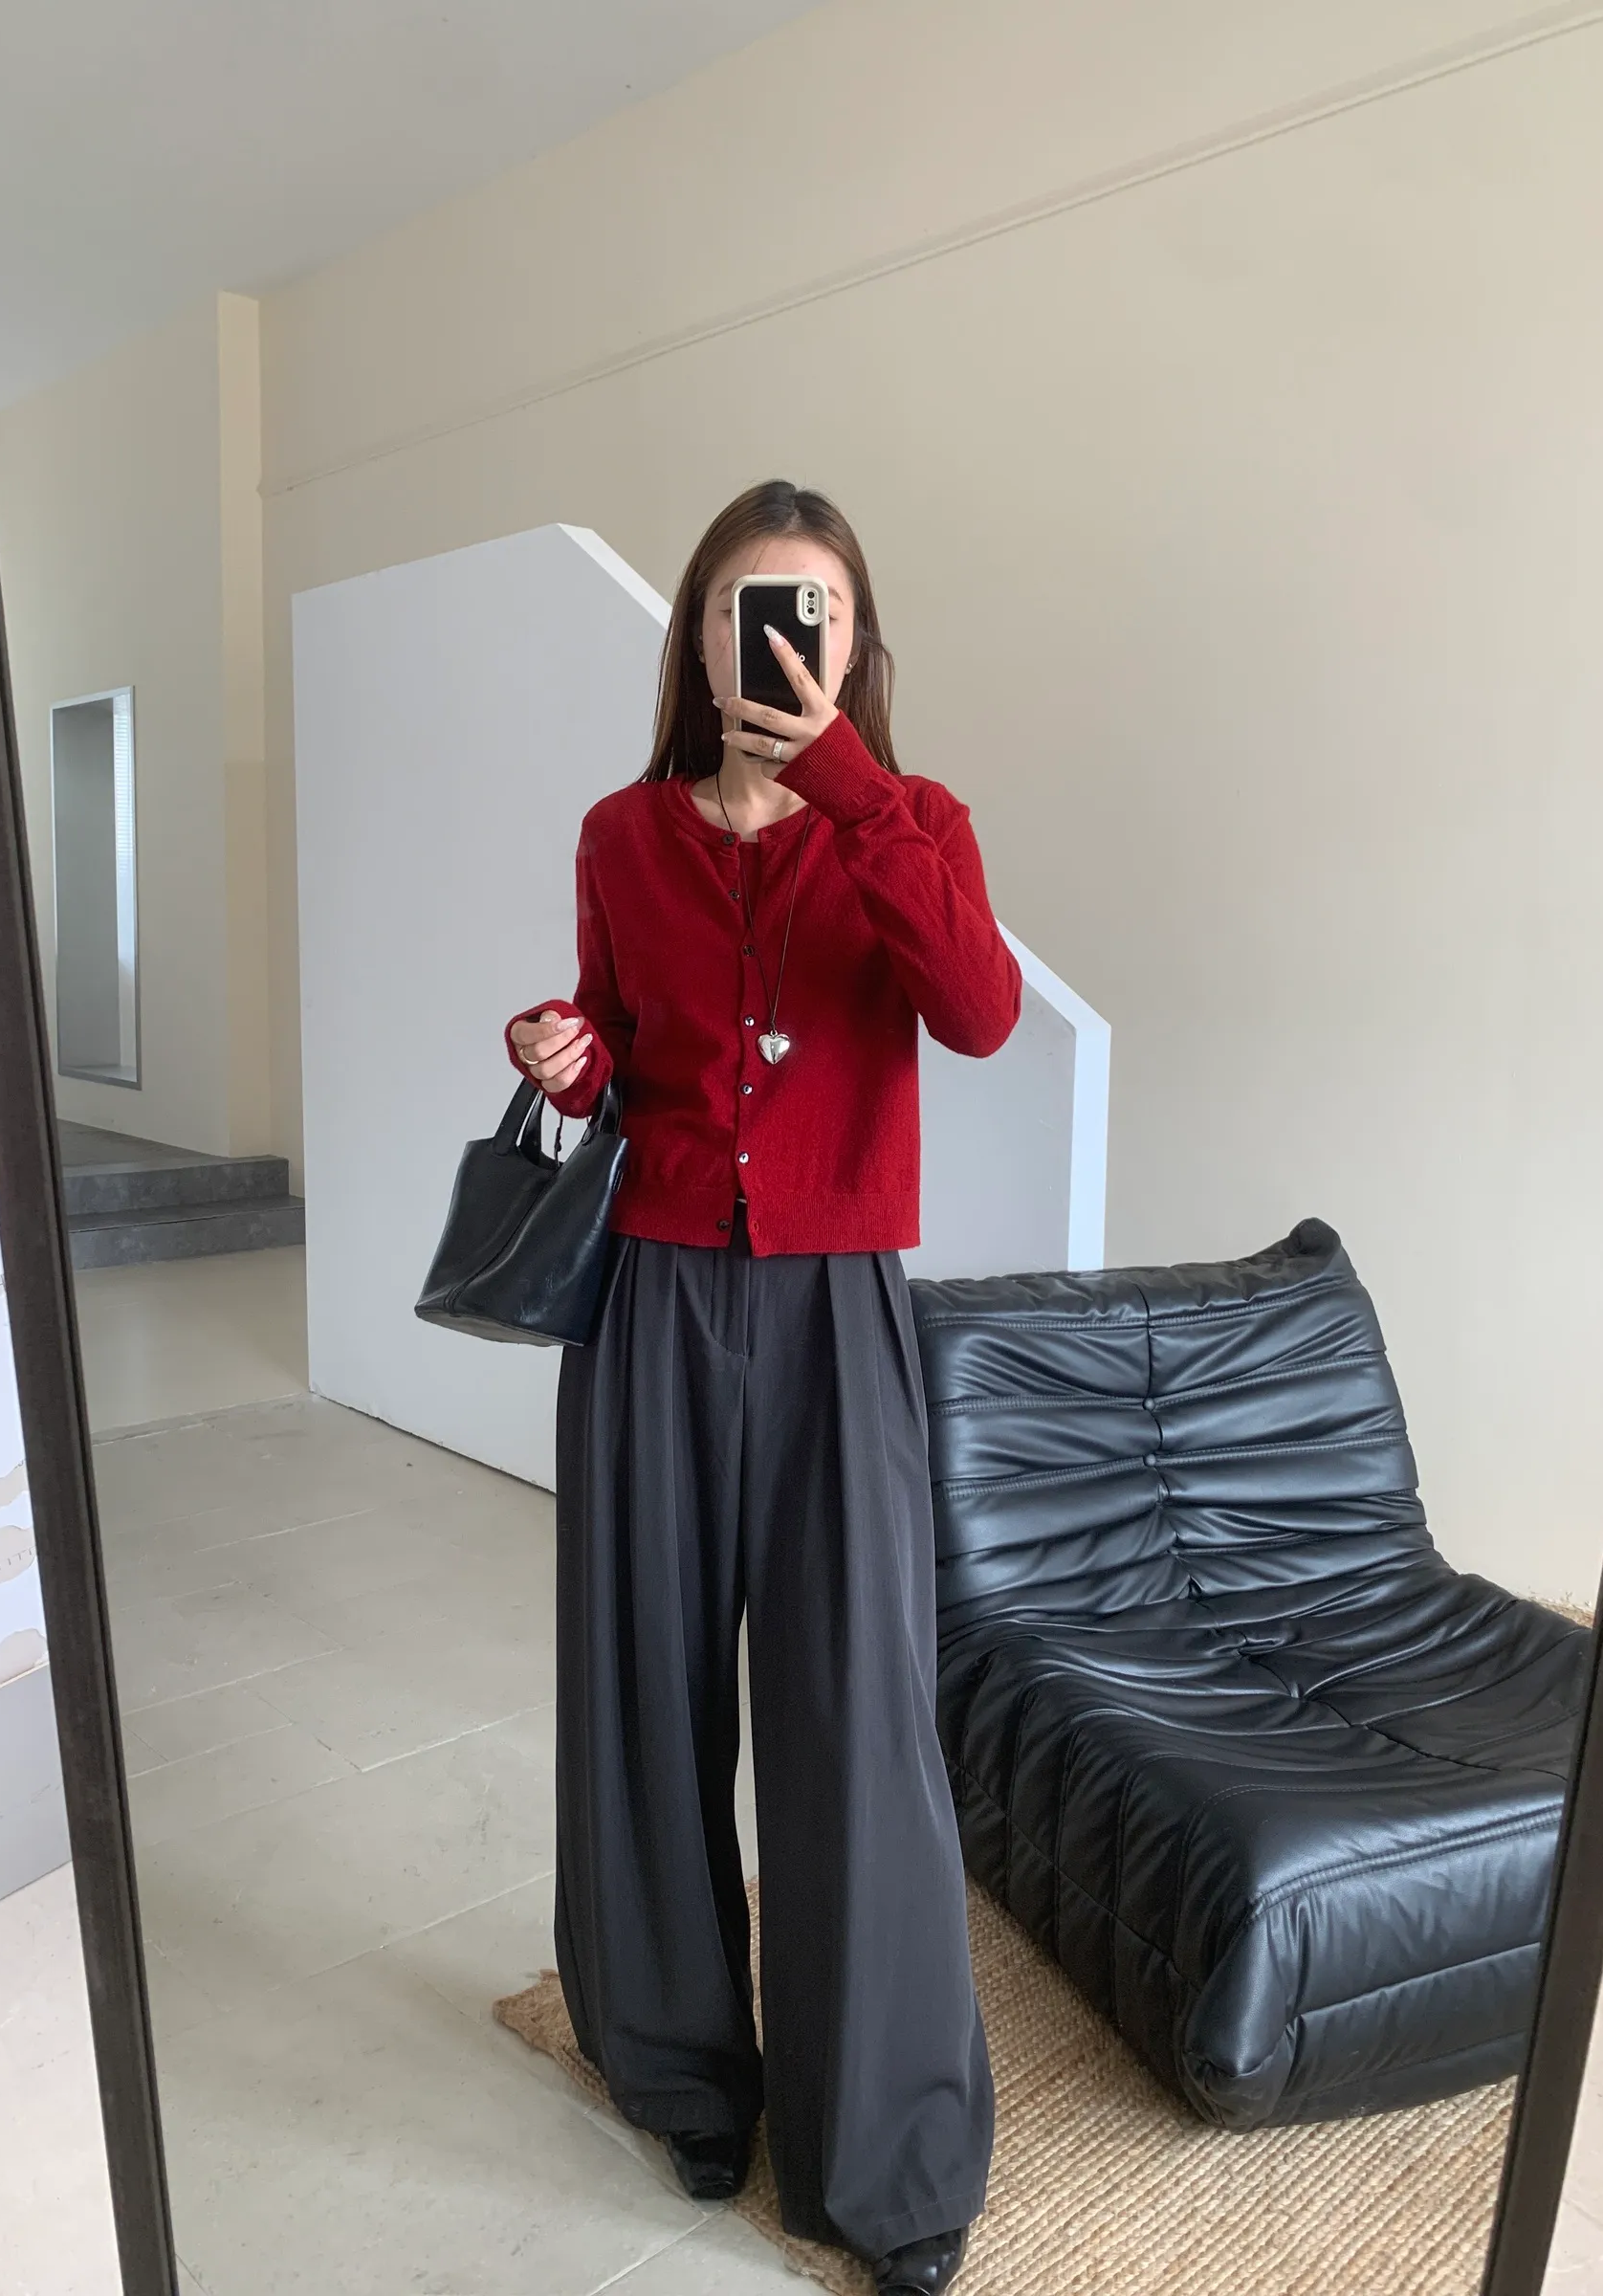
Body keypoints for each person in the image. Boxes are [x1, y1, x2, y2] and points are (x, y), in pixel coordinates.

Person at [507, 479, 1019, 2295]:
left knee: (855, 1718)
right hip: (649, 1301)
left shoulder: (914, 824)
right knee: (645, 1697)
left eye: (817, 613)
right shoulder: (619, 834)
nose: (783, 644)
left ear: (857, 644)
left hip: (835, 1313)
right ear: (699, 638)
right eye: (748, 610)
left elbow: (977, 1012)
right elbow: (623, 1049)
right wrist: (566, 1059)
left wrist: (853, 793)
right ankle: (679, 2070)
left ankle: (885, 2148)